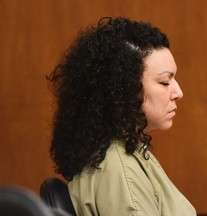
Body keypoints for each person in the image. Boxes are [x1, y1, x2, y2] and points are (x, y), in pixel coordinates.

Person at [48, 17, 196, 216]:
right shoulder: (121, 172)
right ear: (125, 90)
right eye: (164, 82)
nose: (178, 92)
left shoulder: (118, 152)